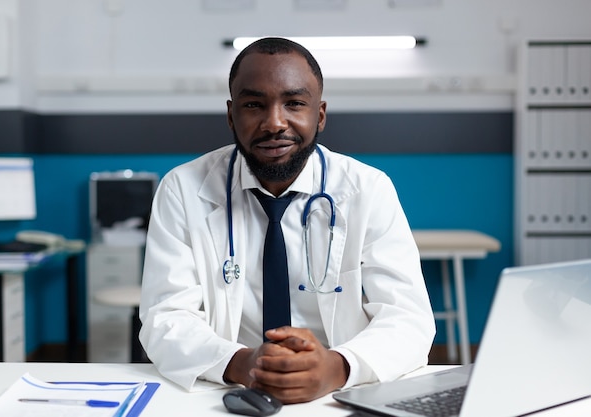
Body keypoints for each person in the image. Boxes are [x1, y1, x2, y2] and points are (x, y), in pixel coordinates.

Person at [139, 37, 435, 404]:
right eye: (253, 105)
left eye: (294, 103)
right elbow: (165, 320)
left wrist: (337, 366)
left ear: (320, 115)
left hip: (342, 391)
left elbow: (409, 319)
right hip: (227, 388)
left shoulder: (367, 189)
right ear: (232, 116)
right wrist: (245, 363)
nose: (274, 122)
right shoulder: (183, 189)